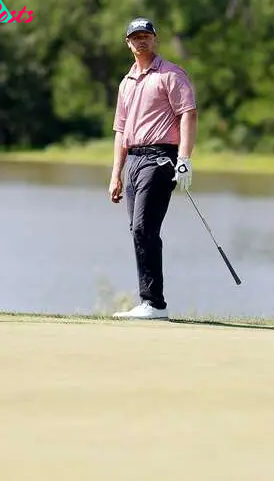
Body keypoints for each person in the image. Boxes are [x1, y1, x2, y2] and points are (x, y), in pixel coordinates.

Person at [108, 17, 198, 320]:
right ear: (128, 43)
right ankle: (150, 302)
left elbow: (188, 114)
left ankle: (154, 304)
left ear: (154, 40)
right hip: (132, 160)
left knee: (145, 228)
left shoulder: (171, 75)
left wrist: (184, 159)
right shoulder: (126, 82)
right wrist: (115, 174)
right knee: (137, 230)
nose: (141, 41)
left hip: (160, 158)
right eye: (135, 37)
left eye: (146, 35)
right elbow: (120, 130)